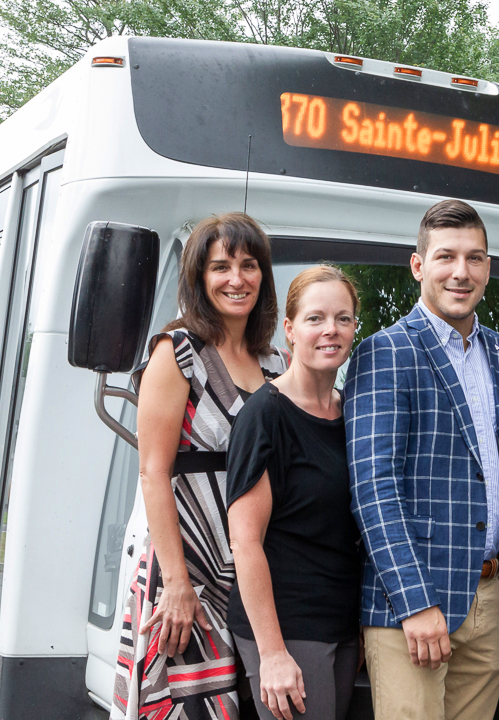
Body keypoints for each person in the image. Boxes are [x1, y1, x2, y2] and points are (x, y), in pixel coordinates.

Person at [345, 199, 499, 720]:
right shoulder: (385, 352)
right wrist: (416, 602)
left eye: (475, 258)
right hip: (413, 603)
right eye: (446, 256)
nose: (461, 272)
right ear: (419, 265)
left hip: (489, 597)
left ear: (488, 267)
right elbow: (374, 488)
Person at [112, 213, 288, 720]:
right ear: (199, 277)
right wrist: (175, 584)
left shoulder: (277, 364)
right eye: (221, 267)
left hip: (256, 576)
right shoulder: (177, 353)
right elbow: (153, 473)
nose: (237, 279)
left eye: (249, 265)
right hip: (188, 572)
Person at [226, 266, 363, 720]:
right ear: (289, 329)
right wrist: (272, 653)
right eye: (315, 318)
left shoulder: (353, 413)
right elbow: (245, 542)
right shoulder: (265, 415)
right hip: (287, 626)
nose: (331, 330)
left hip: (341, 621)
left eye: (343, 318)